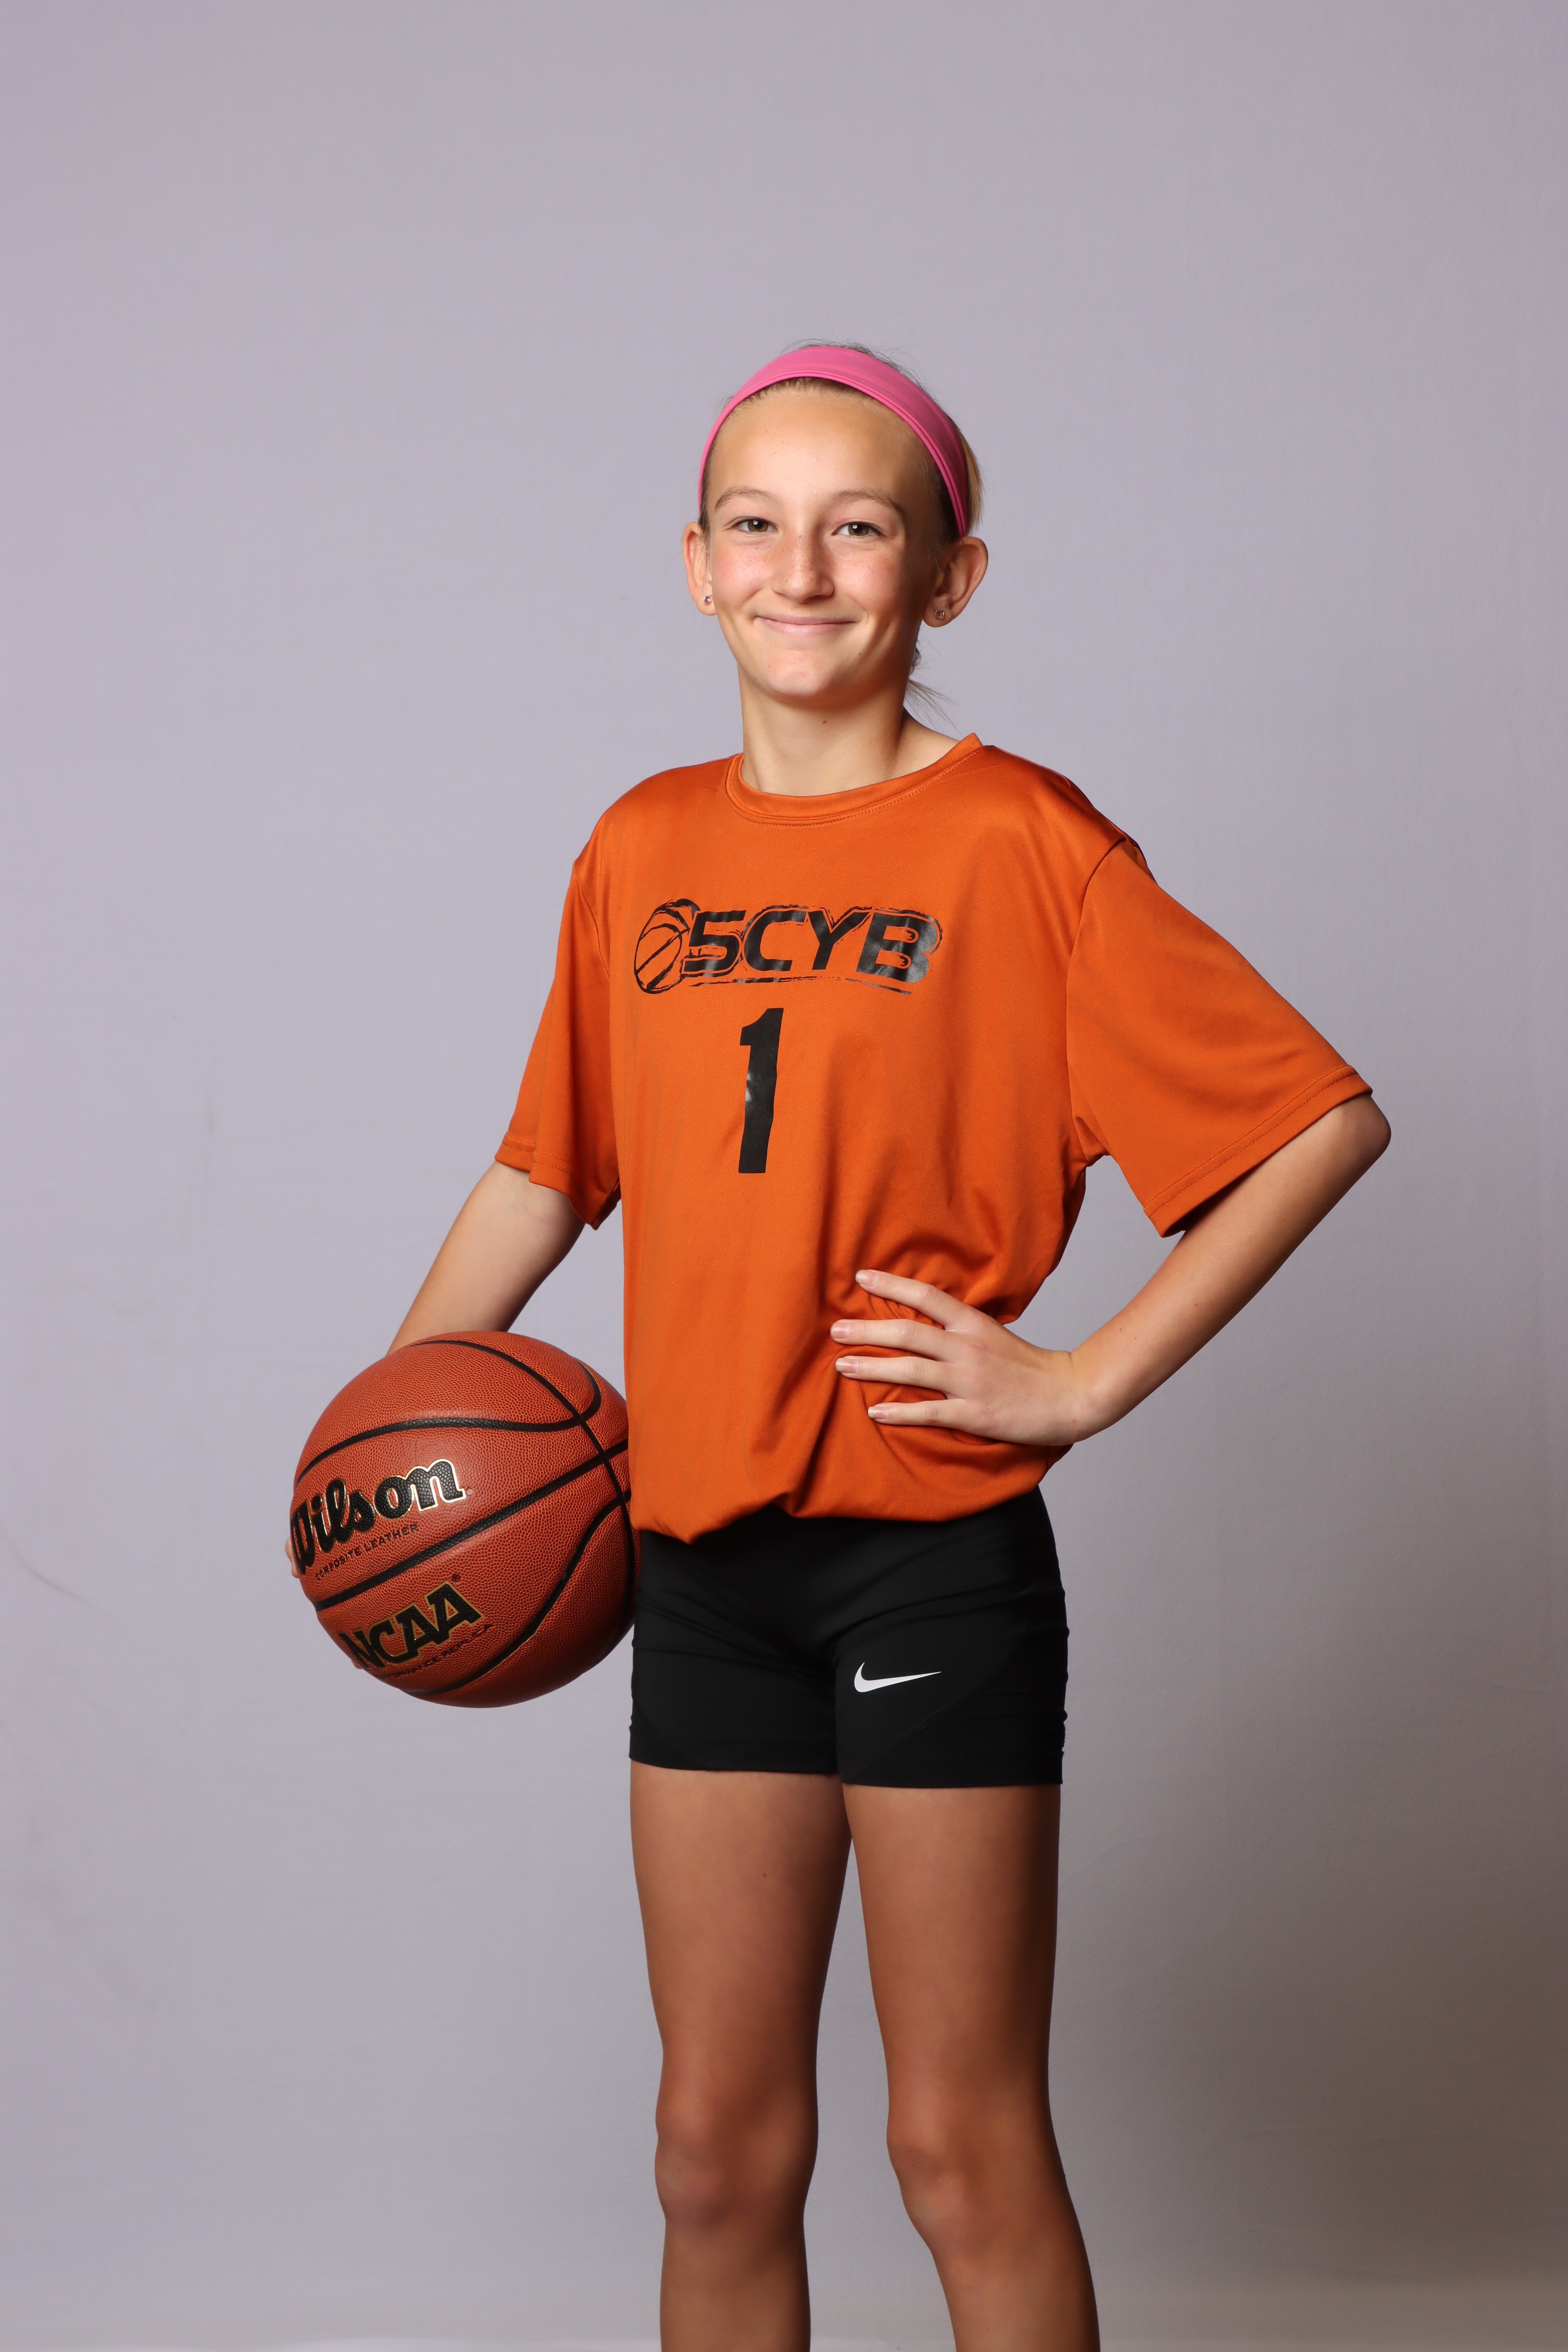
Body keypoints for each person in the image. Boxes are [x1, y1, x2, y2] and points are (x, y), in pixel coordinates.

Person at [390, 344, 1390, 2352]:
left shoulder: (1021, 840)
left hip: (925, 1558)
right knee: (711, 2149)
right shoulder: (637, 847)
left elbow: (1314, 1123)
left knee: (956, 2147)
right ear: (694, 564)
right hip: (693, 1564)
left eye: (859, 528)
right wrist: (396, 1431)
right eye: (755, 525)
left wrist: (1079, 1380)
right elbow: (542, 1171)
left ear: (950, 576)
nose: (803, 570)